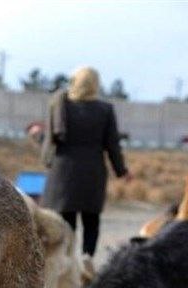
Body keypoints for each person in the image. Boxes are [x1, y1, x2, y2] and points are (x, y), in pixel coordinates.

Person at [41, 66, 130, 267]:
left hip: (63, 171)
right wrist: (121, 170)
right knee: (91, 221)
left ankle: (68, 263)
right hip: (93, 172)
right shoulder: (105, 109)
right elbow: (112, 145)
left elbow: (50, 139)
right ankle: (87, 260)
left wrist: (44, 155)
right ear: (95, 84)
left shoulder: (60, 105)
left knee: (66, 221)